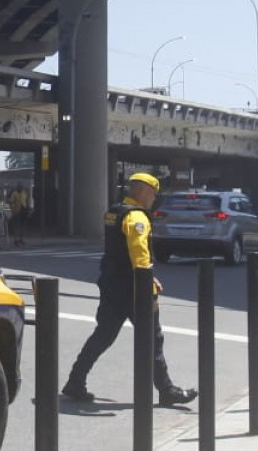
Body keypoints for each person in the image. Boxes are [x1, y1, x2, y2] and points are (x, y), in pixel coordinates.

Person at [61, 172, 198, 408]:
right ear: (144, 191)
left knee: (103, 335)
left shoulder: (115, 212)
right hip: (134, 288)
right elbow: (140, 257)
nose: (154, 198)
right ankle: (166, 391)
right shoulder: (137, 218)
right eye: (154, 194)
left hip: (112, 285)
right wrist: (149, 287)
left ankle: (75, 381)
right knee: (153, 338)